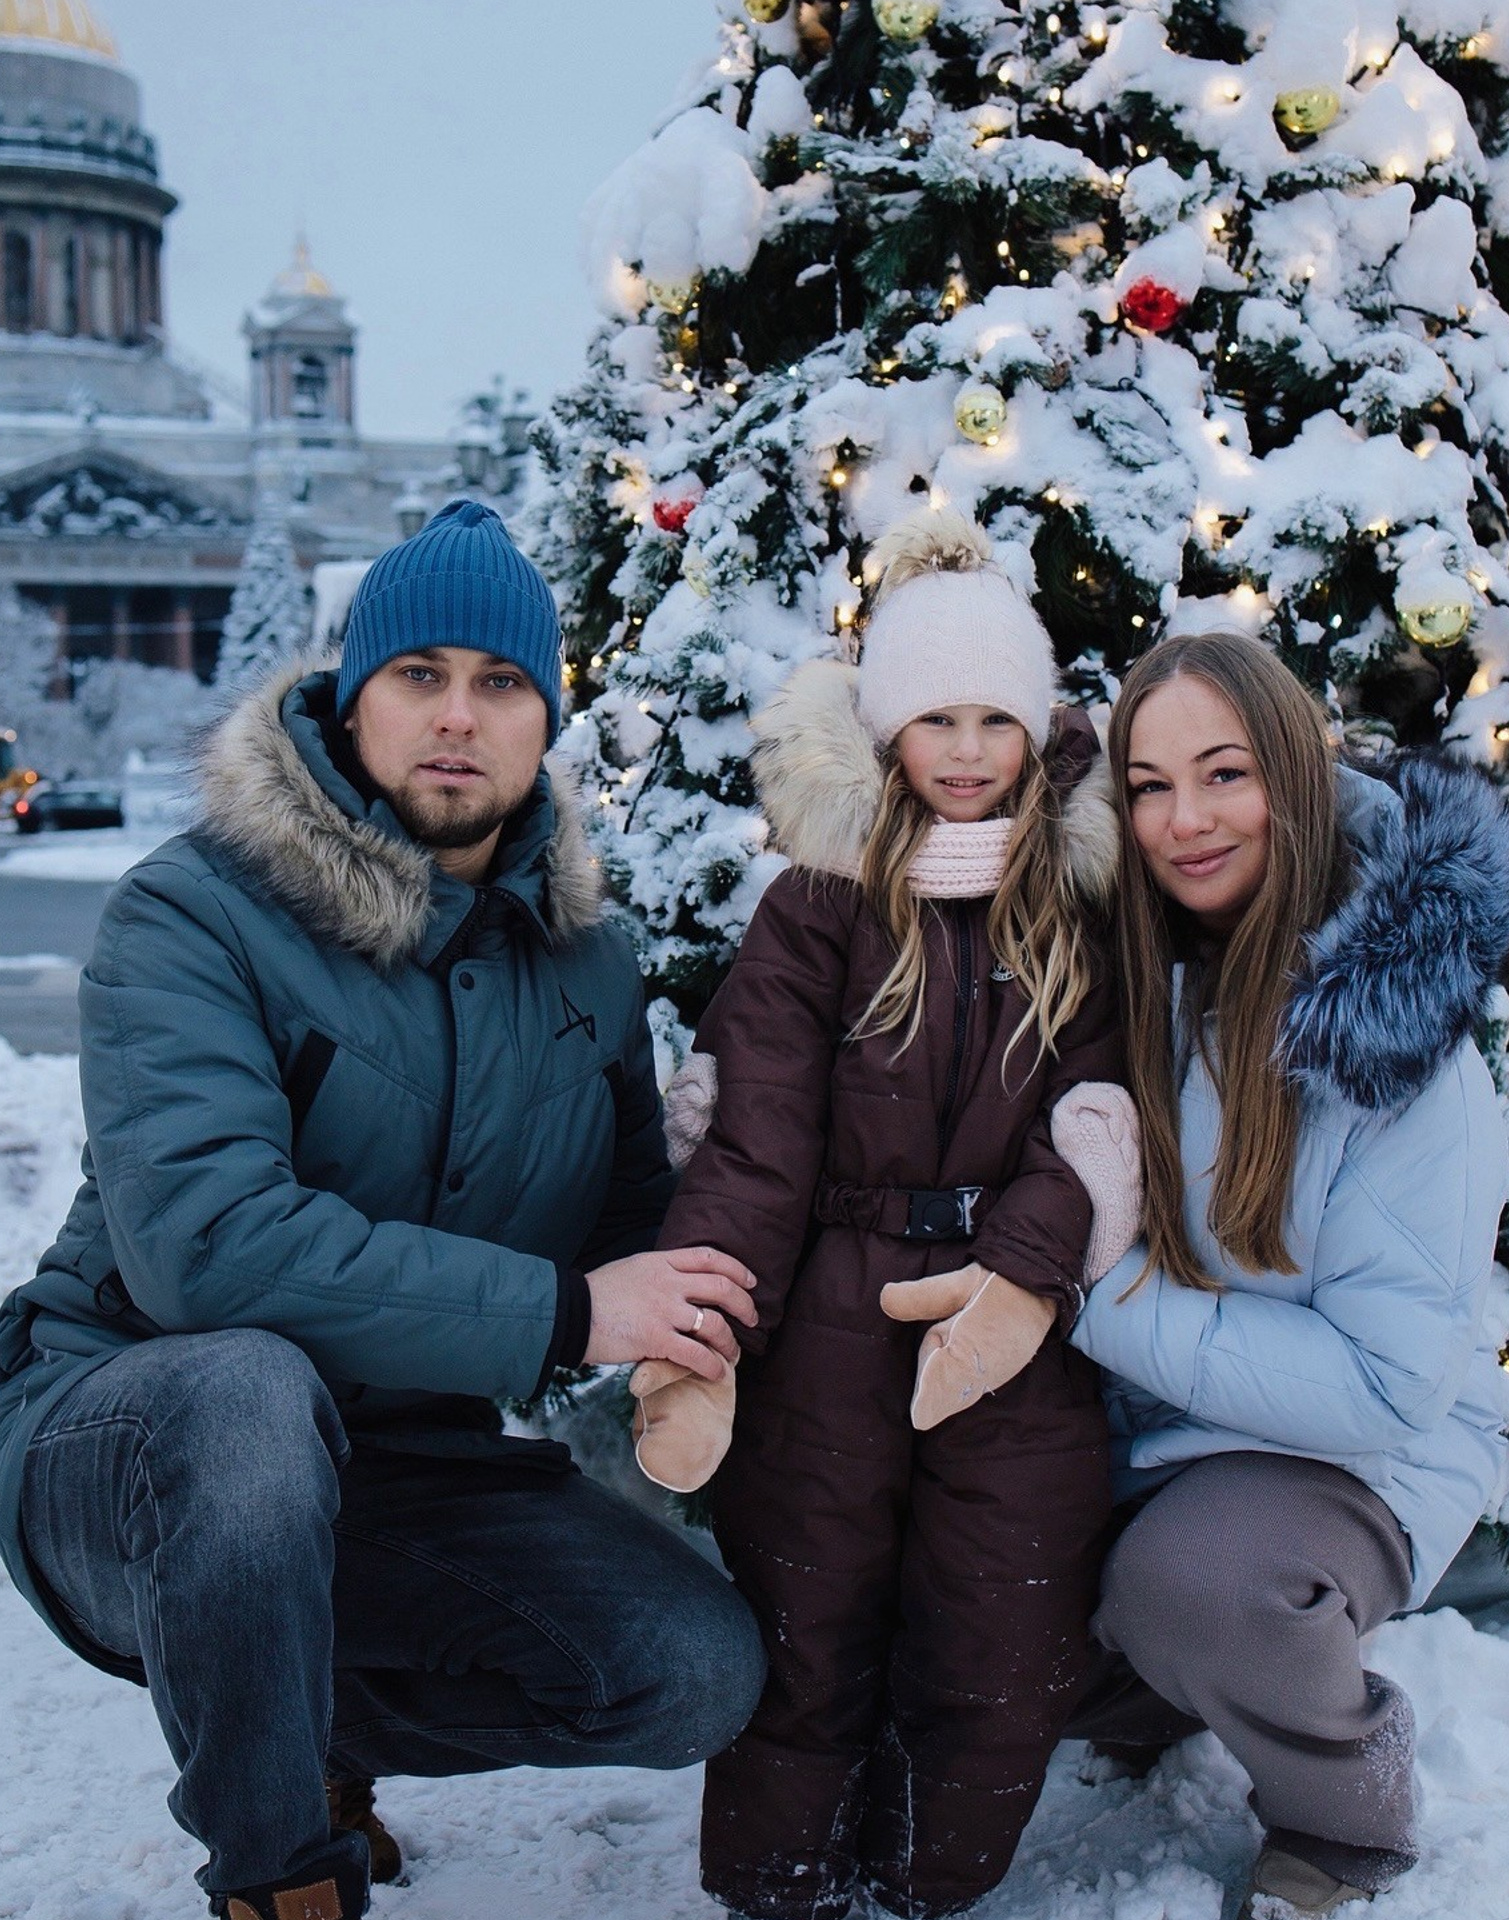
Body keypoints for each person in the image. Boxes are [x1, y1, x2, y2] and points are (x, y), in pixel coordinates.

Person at [0, 501, 767, 1920]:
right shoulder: (195, 916)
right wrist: (570, 1311)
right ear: (352, 696)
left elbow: (631, 1235)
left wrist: (738, 1175)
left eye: (503, 683)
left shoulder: (586, 962)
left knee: (690, 1668)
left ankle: (297, 1714)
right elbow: (204, 1252)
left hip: (395, 1465)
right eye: (420, 675)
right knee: (248, 1396)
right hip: (126, 1425)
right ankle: (282, 1876)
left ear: (547, 718)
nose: (459, 716)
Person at [643, 513, 1128, 1920]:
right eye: (934, 720)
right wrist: (708, 1335)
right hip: (836, 1316)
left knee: (997, 1618)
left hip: (1010, 1321)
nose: (967, 752)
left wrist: (1031, 1270)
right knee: (812, 1610)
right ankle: (781, 1881)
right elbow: (760, 1140)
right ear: (884, 736)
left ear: (1038, 732)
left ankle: (928, 1881)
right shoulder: (819, 909)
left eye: (995, 719)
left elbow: (1097, 1120)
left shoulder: (1075, 911)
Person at [1055, 630, 1509, 1919]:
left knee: (1205, 1587)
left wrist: (1111, 1302)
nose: (1185, 822)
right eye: (1147, 786)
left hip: (1355, 1455)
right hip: (1160, 1433)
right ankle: (1160, 1685)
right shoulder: (1120, 974)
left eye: (1225, 773)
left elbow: (1386, 1386)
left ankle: (1341, 1823)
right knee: (963, 1570)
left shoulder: (1394, 1042)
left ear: (1296, 777)